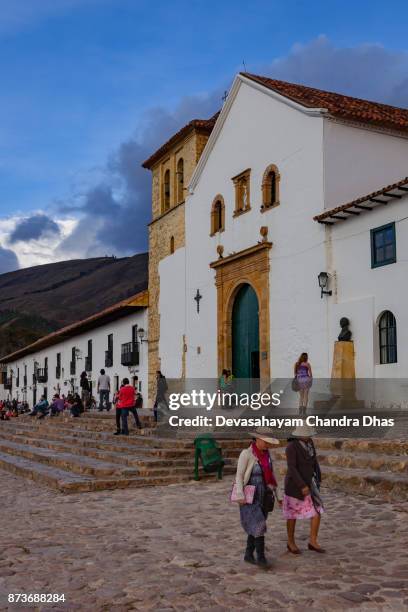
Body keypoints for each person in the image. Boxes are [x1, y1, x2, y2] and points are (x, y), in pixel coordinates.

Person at [234, 430, 281, 568]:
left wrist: (279, 495)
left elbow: (273, 477)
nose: (267, 445)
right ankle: (261, 557)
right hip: (249, 496)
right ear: (257, 439)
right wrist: (240, 494)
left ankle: (248, 554)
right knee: (259, 525)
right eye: (266, 442)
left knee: (255, 526)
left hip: (264, 496)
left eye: (269, 443)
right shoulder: (246, 454)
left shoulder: (267, 456)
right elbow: (239, 476)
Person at [283, 424, 325, 554]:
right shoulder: (291, 447)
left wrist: (318, 476)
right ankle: (290, 542)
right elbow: (292, 468)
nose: (309, 436)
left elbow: (314, 461)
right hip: (295, 486)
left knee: (318, 510)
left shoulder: (310, 443)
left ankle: (313, 541)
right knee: (292, 515)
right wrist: (302, 485)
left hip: (311, 483)